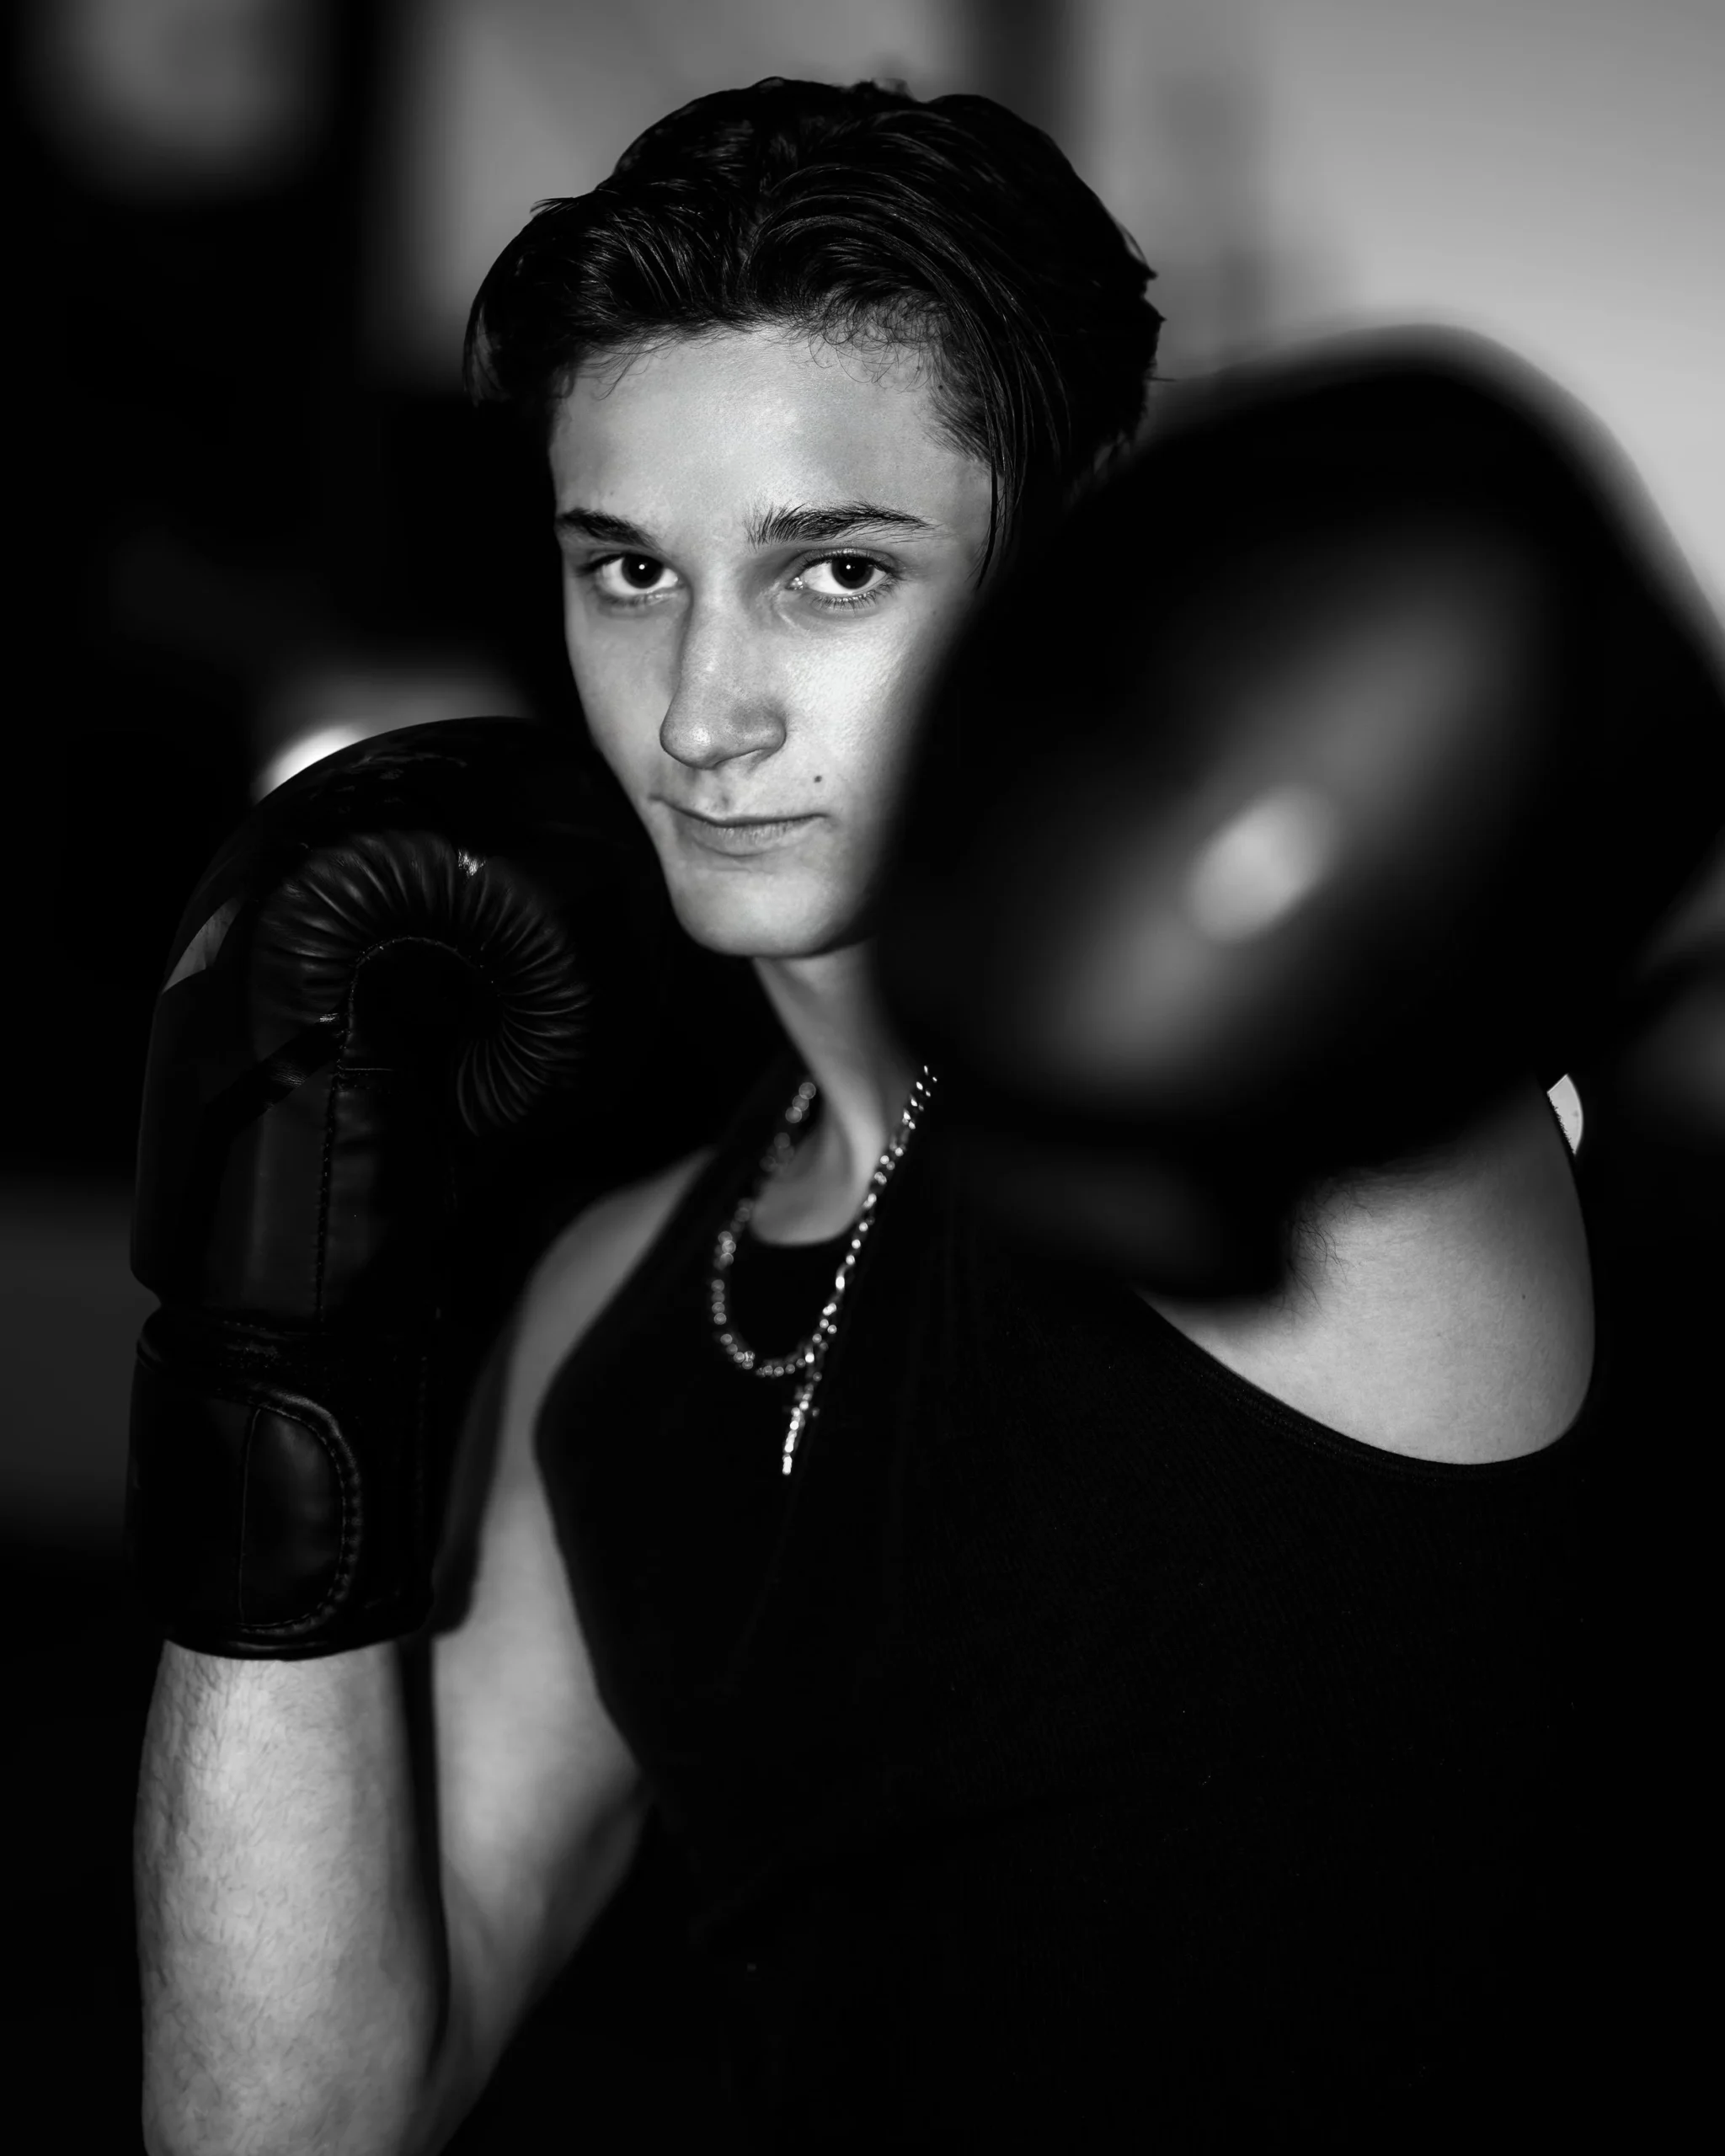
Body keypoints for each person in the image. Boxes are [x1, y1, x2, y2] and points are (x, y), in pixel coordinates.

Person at [135, 77, 1624, 2152]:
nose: (700, 712)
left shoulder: (1343, 1167)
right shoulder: (610, 1311)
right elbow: (291, 2115)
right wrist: (267, 1339)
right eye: (627, 570)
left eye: (832, 570)